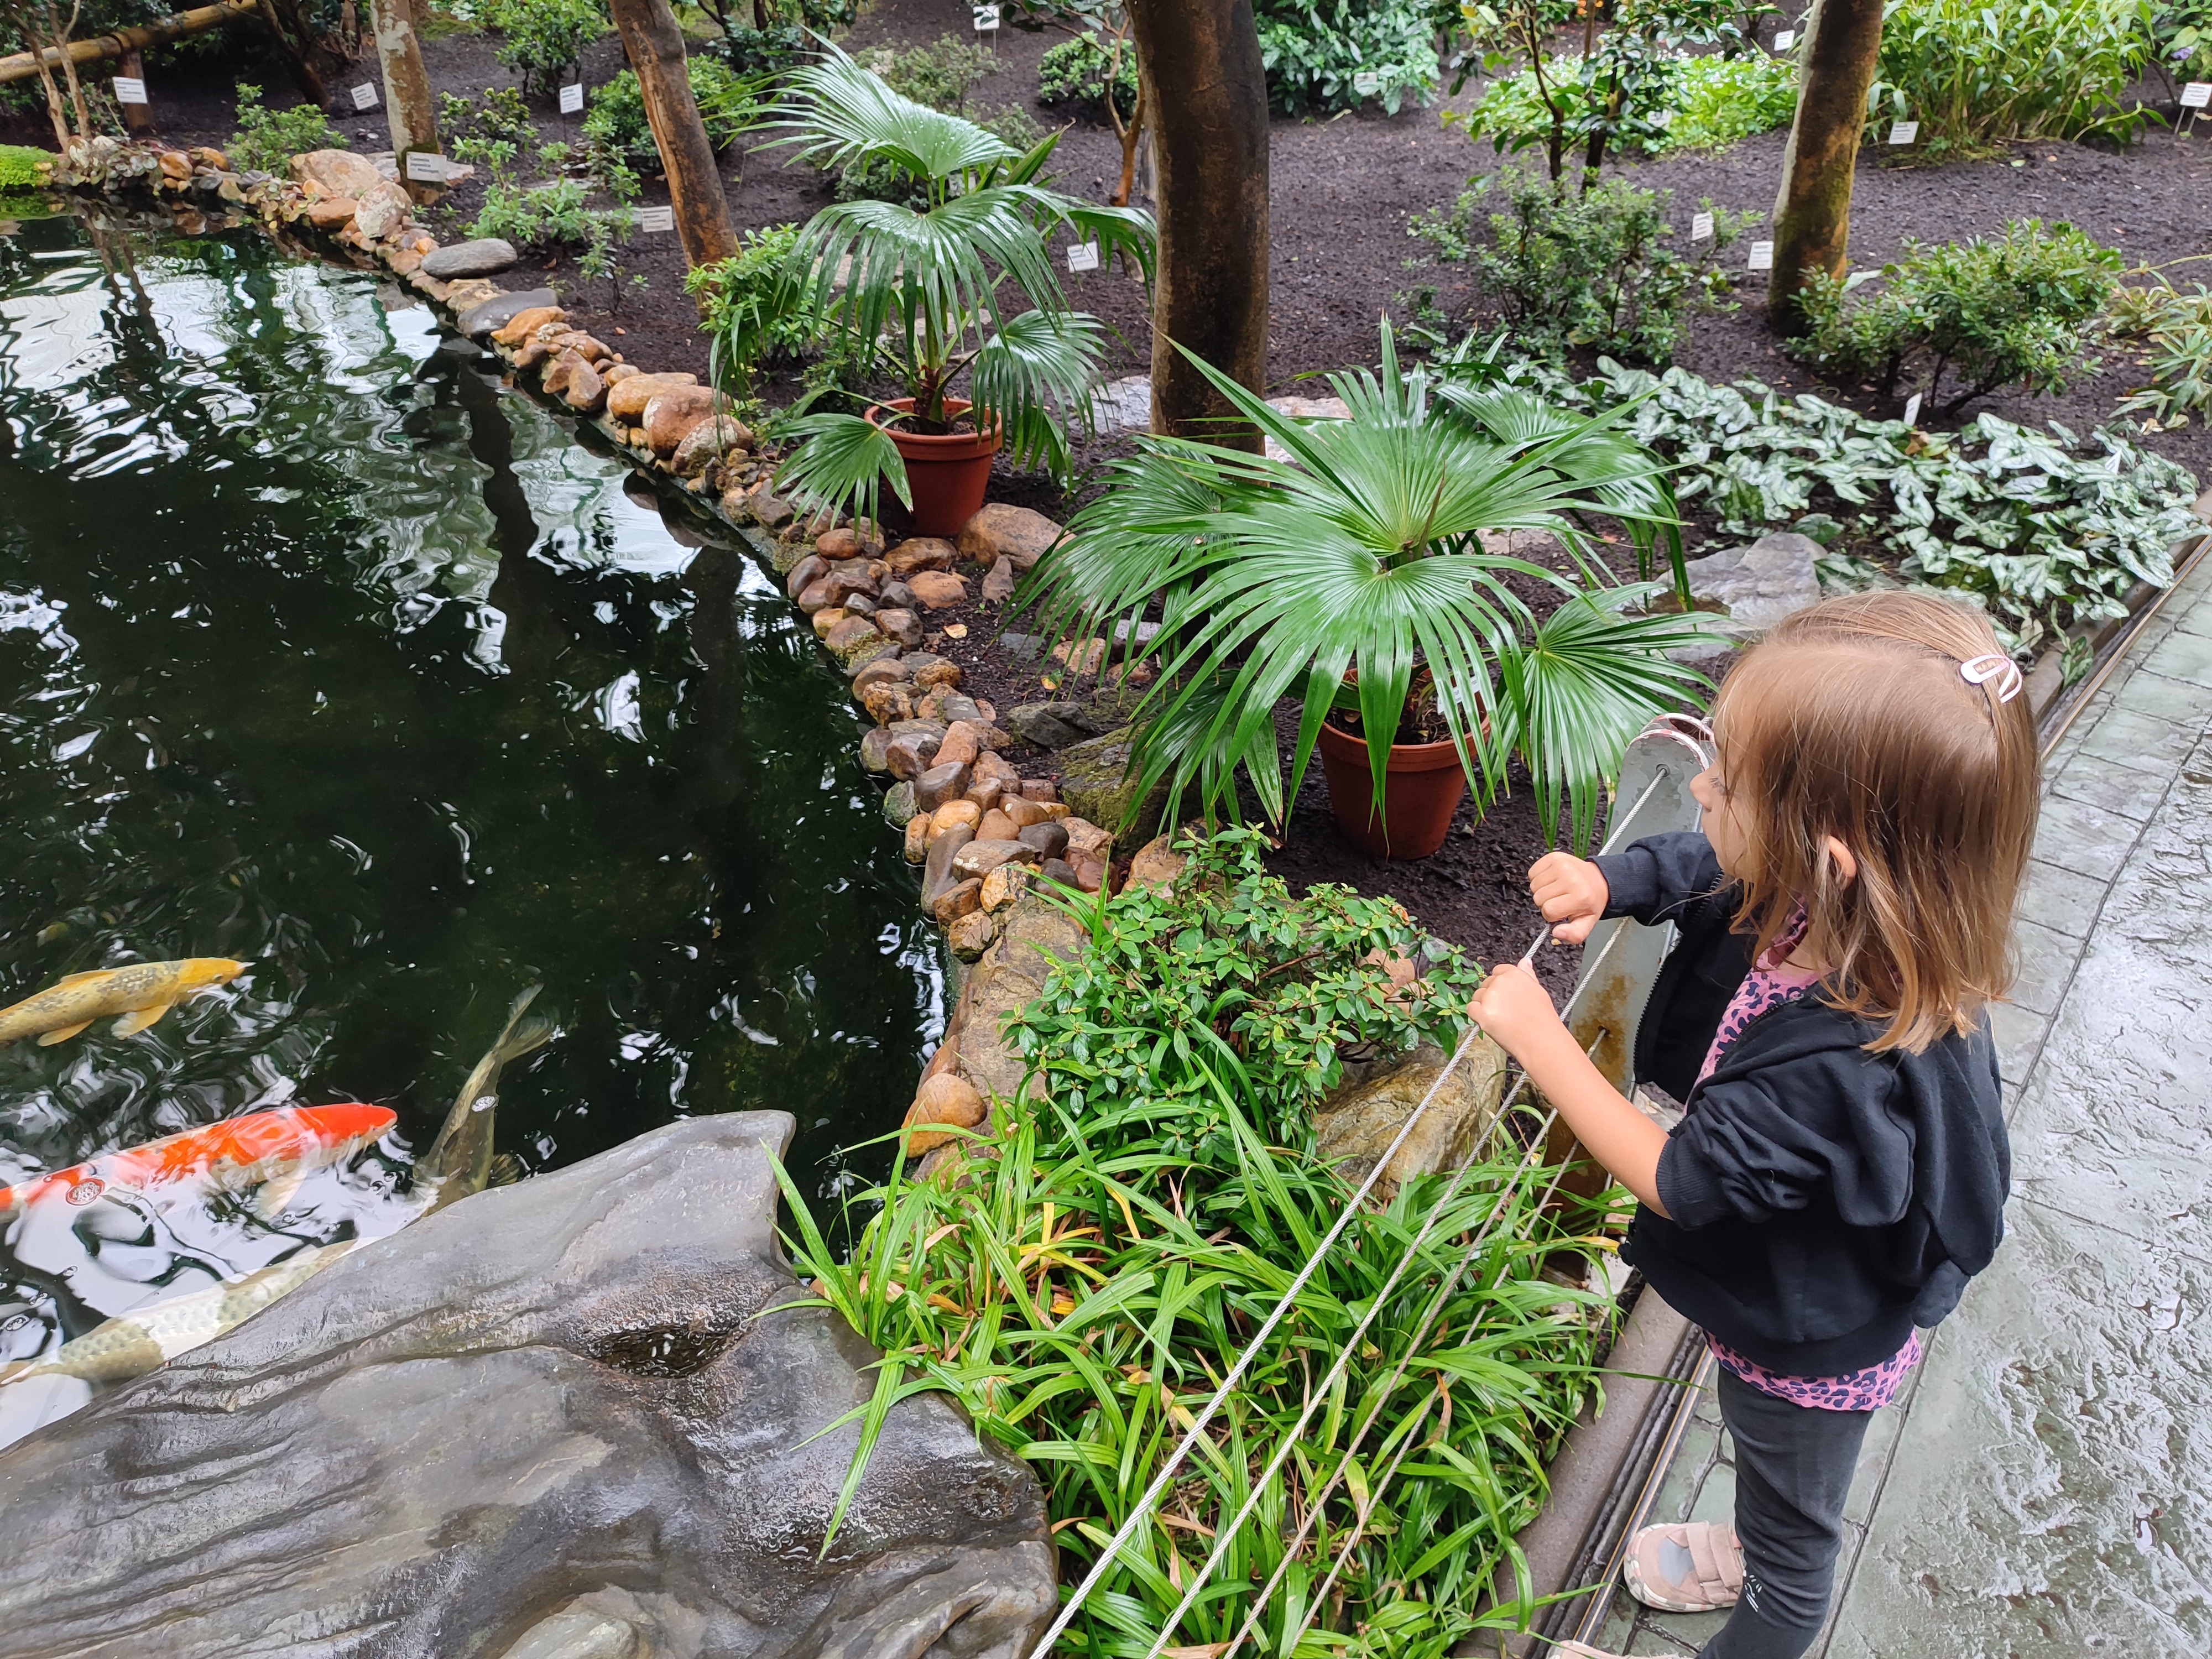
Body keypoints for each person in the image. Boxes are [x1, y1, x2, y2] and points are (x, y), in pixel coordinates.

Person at [1466, 592, 2033, 1659]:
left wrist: (1542, 1045)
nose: (1696, 785)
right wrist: (1613, 880)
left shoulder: (1841, 1064)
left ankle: (1767, 1570)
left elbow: (1685, 1179)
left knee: (1795, 1567)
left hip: (1811, 1349)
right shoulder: (1874, 914)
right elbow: (1722, 867)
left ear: (1827, 856)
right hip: (1805, 1290)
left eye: (1722, 784)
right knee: (1778, 1474)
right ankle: (1757, 1526)